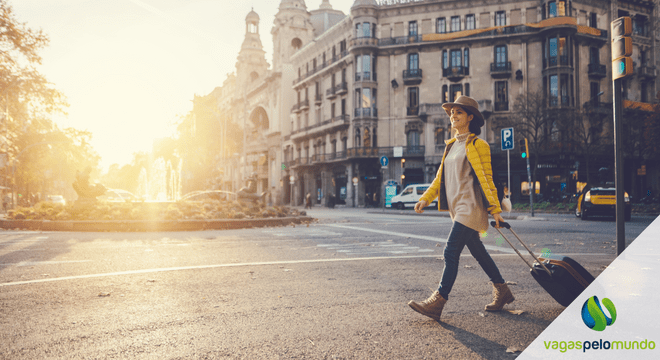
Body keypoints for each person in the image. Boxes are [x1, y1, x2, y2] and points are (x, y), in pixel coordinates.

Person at [408, 95, 514, 321]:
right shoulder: (451, 146)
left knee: (450, 251)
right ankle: (502, 290)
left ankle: (438, 301)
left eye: (458, 112)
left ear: (470, 117)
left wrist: (496, 211)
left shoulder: (478, 145)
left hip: (471, 207)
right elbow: (439, 179)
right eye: (451, 113)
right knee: (478, 251)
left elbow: (486, 178)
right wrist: (425, 199)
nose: (452, 116)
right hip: (457, 208)